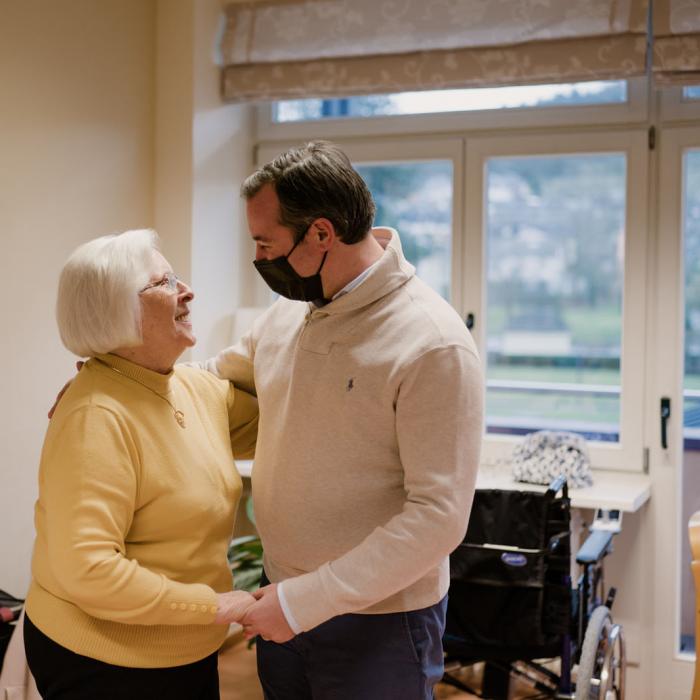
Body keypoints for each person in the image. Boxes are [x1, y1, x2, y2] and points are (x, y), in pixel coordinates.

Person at [200, 141, 484, 699]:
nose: (258, 259)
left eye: (265, 243)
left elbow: (439, 519)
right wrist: (118, 382)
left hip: (380, 624)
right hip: (280, 598)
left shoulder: (432, 342)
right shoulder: (290, 313)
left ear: (322, 234)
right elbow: (213, 377)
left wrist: (306, 602)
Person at [24, 229, 258, 699]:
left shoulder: (192, 388)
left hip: (184, 644)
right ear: (117, 309)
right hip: (105, 658)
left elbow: (285, 417)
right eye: (166, 282)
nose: (187, 290)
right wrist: (213, 605)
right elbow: (90, 570)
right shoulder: (97, 416)